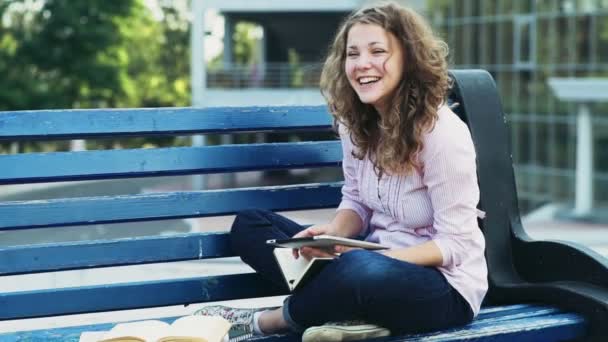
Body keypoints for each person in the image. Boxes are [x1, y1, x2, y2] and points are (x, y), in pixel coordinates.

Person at [195, 2, 488, 341]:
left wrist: (372, 256)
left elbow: (454, 245)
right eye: (353, 54)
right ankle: (352, 314)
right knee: (251, 225)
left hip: (442, 286)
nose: (363, 64)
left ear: (409, 59)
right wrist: (330, 237)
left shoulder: (441, 133)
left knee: (359, 269)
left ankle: (266, 322)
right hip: (368, 264)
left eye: (378, 51)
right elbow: (357, 202)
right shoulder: (356, 123)